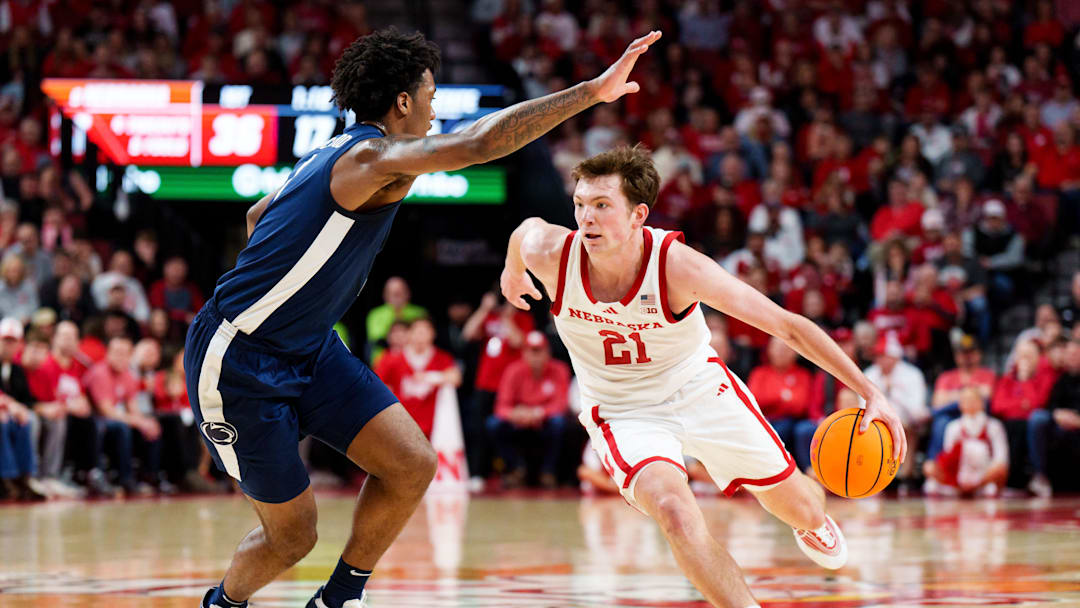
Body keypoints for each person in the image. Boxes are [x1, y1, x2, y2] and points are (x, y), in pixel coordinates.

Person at [183, 27, 663, 608]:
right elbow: (481, 144)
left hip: (308, 347)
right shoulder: (368, 156)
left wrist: (292, 286)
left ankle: (338, 600)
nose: (435, 111)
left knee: (411, 464)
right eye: (431, 97)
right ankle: (221, 604)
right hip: (239, 359)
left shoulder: (330, 153)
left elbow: (262, 215)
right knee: (294, 537)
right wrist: (590, 92)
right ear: (403, 102)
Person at [500, 145, 906, 608]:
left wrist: (868, 389)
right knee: (675, 510)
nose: (585, 218)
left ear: (639, 216)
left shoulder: (677, 266)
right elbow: (524, 231)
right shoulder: (554, 254)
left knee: (806, 507)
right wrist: (513, 272)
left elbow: (785, 325)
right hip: (624, 412)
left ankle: (812, 522)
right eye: (579, 204)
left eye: (601, 205)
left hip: (699, 389)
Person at [488, 330, 571, 488]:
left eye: (539, 351)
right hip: (519, 421)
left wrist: (538, 413)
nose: (536, 357)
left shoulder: (560, 369)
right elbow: (501, 406)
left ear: (547, 352)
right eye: (532, 351)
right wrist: (515, 414)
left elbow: (561, 404)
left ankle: (548, 472)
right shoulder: (513, 370)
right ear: (524, 353)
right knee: (494, 424)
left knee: (559, 423)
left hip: (545, 421)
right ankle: (515, 469)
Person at [374, 317, 461, 438]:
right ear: (409, 334)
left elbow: (456, 377)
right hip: (401, 425)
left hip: (433, 428)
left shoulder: (442, 358)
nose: (420, 336)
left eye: (425, 332)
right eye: (417, 331)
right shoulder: (391, 359)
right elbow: (376, 386)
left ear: (433, 334)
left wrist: (431, 377)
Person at [923, 386, 1009, 497]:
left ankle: (972, 488)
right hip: (960, 476)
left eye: (973, 400)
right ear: (960, 404)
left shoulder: (993, 426)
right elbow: (948, 458)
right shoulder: (953, 427)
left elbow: (1001, 459)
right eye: (966, 400)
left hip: (984, 475)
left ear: (982, 403)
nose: (970, 403)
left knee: (1000, 470)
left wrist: (979, 481)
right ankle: (960, 488)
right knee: (928, 466)